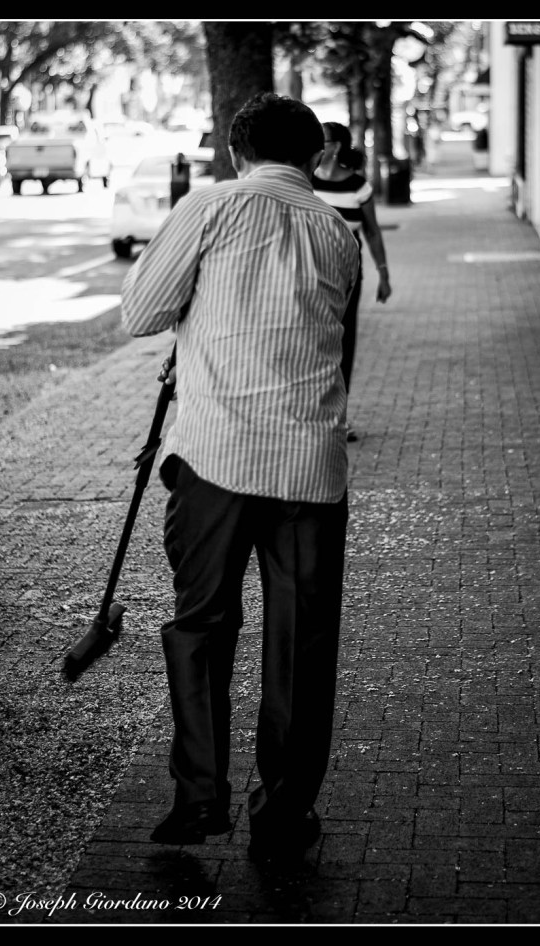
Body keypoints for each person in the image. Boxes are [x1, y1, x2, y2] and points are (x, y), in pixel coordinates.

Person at [120, 93, 360, 864]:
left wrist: (197, 315)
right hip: (310, 469)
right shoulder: (338, 231)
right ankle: (284, 811)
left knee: (200, 627)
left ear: (234, 150)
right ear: (316, 157)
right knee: (303, 642)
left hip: (217, 458)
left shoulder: (210, 207)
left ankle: (197, 802)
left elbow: (142, 313)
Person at [312, 121, 392, 441]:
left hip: (346, 278)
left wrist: (384, 274)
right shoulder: (306, 181)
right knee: (313, 342)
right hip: (309, 274)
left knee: (343, 344)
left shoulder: (359, 186)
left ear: (335, 147)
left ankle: (338, 418)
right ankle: (312, 414)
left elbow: (372, 231)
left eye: (323, 139)